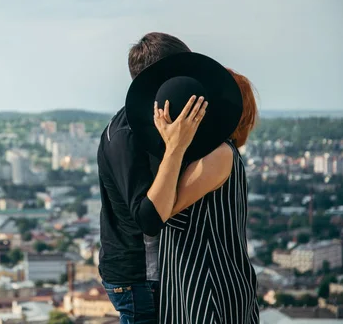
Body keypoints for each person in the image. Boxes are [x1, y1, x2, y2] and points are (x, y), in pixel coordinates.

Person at [147, 64, 259, 323]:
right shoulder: (205, 156)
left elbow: (158, 210)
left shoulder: (219, 155)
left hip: (211, 288)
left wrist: (172, 146)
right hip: (190, 286)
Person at [97, 32, 193, 323]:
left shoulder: (158, 124)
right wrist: (176, 148)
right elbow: (149, 217)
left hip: (159, 274)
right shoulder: (125, 136)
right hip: (139, 278)